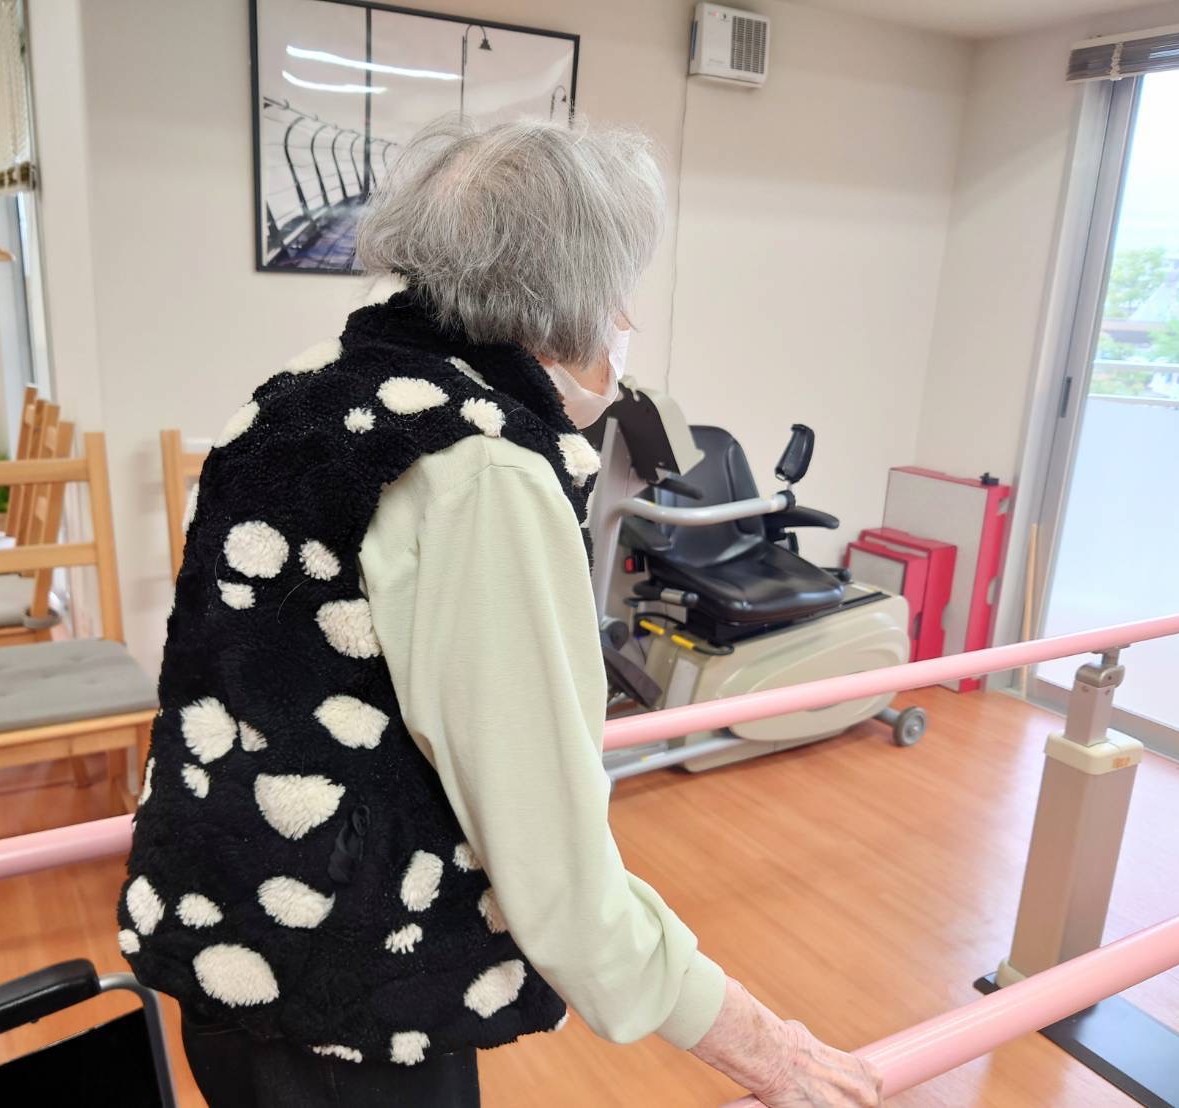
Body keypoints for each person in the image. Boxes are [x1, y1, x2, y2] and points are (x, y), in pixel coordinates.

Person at [118, 116, 882, 1108]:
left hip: (226, 951)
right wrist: (761, 1047)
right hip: (346, 1003)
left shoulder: (303, 388)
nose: (625, 322)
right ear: (567, 294)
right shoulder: (481, 470)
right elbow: (550, 857)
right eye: (619, 291)